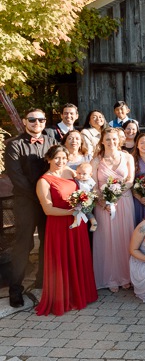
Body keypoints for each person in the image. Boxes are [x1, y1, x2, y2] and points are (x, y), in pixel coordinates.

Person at [33, 145, 97, 316]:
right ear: (49, 159)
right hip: (59, 226)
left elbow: (85, 187)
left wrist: (86, 203)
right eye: (57, 158)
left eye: (63, 158)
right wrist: (72, 212)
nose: (60, 161)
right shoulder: (44, 181)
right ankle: (64, 298)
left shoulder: (69, 172)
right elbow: (48, 209)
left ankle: (81, 294)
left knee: (77, 257)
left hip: (77, 223)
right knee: (62, 261)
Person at [4, 109, 57, 307]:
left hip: (48, 203)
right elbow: (17, 178)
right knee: (23, 245)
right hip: (26, 203)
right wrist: (40, 196)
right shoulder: (14, 145)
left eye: (41, 119)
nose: (37, 123)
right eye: (32, 119)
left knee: (47, 243)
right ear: (25, 121)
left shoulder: (51, 142)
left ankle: (42, 282)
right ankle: (15, 289)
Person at [91, 127, 135, 292]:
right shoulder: (97, 160)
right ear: (102, 141)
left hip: (124, 200)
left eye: (114, 139)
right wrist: (104, 201)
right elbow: (93, 185)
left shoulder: (127, 157)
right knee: (108, 239)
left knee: (125, 237)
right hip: (104, 204)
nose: (111, 142)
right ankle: (111, 278)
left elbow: (130, 179)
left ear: (119, 140)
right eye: (108, 139)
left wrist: (117, 193)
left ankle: (126, 275)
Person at [72, 163, 98, 232]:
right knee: (79, 211)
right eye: (79, 173)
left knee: (85, 212)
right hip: (80, 199)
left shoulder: (90, 181)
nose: (81, 176)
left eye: (84, 174)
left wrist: (92, 197)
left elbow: (93, 190)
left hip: (88, 201)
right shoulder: (77, 180)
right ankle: (93, 222)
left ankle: (92, 222)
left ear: (90, 175)